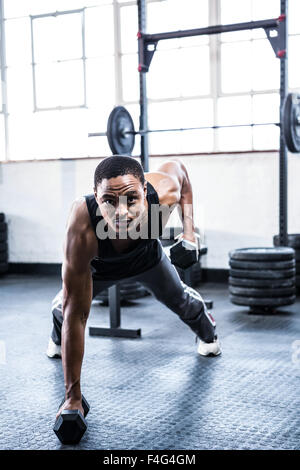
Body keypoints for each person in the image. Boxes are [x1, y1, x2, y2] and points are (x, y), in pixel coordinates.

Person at [47, 156, 221, 419]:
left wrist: (188, 231)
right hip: (100, 269)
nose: (122, 212)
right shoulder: (82, 225)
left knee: (181, 300)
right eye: (109, 201)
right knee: (66, 309)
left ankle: (209, 336)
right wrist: (73, 398)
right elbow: (77, 315)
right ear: (96, 196)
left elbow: (182, 172)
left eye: (131, 199)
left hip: (148, 260)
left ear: (144, 189)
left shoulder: (163, 192)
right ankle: (57, 340)